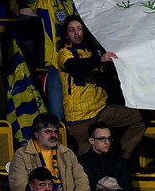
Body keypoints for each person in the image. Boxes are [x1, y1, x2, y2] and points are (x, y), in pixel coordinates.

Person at [57, 15, 146, 158]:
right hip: (80, 119)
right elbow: (74, 66)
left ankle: (120, 158)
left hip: (101, 111)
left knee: (140, 117)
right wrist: (100, 59)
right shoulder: (64, 53)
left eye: (79, 29)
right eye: (72, 30)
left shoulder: (93, 50)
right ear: (67, 35)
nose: (76, 33)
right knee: (87, 164)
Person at [8, 113, 91, 191]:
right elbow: (18, 185)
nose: (53, 135)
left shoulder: (67, 153)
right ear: (36, 133)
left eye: (55, 132)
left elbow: (81, 179)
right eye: (48, 131)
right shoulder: (21, 155)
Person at [79, 124, 134, 191]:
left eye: (109, 138)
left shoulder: (119, 162)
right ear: (91, 140)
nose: (107, 142)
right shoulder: (82, 164)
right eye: (102, 139)